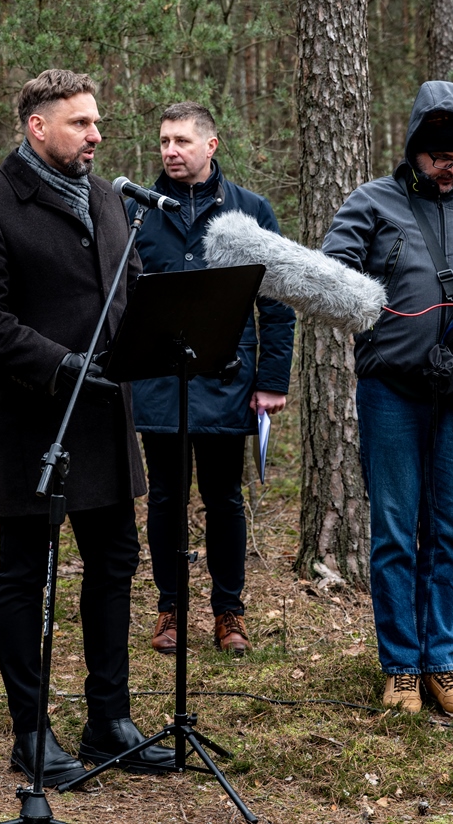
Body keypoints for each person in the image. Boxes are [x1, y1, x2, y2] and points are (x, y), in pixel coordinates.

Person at [0, 69, 175, 787]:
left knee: (113, 569)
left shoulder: (108, 199)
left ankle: (108, 721)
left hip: (108, 418)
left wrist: (154, 341)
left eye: (96, 122)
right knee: (26, 576)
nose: (96, 135)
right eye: (80, 123)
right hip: (37, 421)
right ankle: (30, 732)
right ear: (37, 127)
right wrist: (60, 365)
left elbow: (130, 284)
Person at [322, 80, 453, 717]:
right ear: (415, 149)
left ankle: (440, 661)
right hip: (391, 391)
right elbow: (333, 279)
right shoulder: (370, 202)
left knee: (450, 532)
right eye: (441, 158)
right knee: (396, 533)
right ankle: (400, 666)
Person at [129, 101, 295, 656]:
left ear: (211, 145)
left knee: (223, 498)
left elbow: (276, 302)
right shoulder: (138, 212)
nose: (170, 151)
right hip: (157, 379)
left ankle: (229, 612)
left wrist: (272, 380)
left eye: (181, 140)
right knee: (165, 498)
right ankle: (170, 609)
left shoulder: (250, 211)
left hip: (228, 382)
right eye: (163, 141)